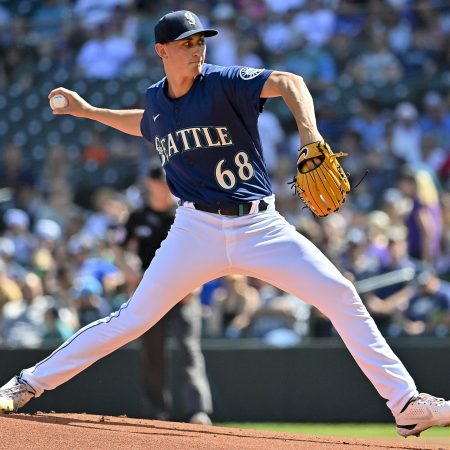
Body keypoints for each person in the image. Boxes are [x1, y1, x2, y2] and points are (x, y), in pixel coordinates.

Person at [0, 9, 449, 438]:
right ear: (162, 51)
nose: (197, 49)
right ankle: (26, 384)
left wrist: (310, 134)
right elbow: (144, 124)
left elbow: (290, 82)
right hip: (195, 231)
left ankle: (405, 405)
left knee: (340, 294)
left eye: (199, 41)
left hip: (260, 227)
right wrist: (90, 112)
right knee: (131, 319)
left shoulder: (224, 82)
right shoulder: (156, 101)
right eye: (186, 43)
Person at [112, 165, 212, 424]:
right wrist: (129, 273)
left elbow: (202, 249)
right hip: (153, 290)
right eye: (158, 180)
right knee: (152, 352)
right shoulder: (138, 217)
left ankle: (197, 411)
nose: (162, 186)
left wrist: (197, 284)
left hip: (184, 288)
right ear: (149, 182)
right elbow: (119, 248)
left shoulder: (185, 212)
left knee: (188, 348)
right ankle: (156, 412)